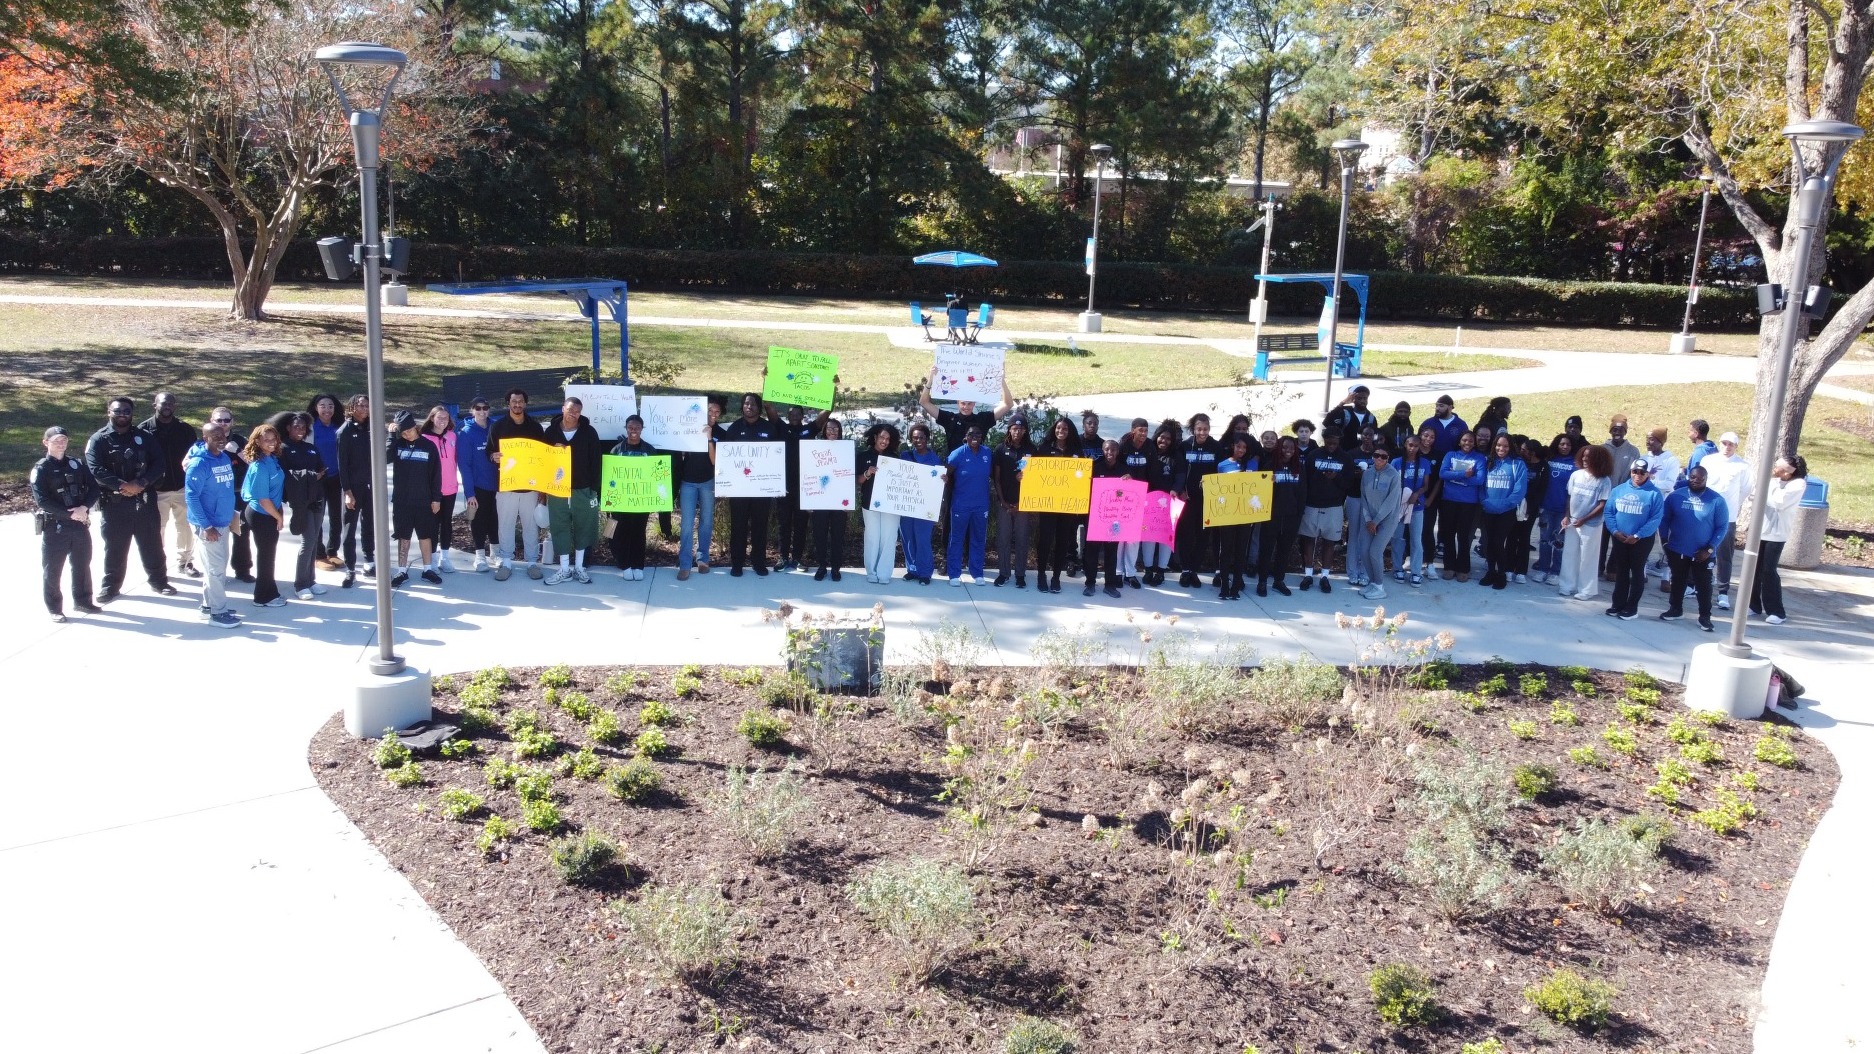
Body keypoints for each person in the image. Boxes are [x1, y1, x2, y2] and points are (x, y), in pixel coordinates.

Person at [85, 396, 175, 603]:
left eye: (126, 411)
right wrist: (122, 485)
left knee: (152, 544)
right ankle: (110, 587)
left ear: (132, 413)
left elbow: (159, 463)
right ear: (109, 412)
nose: (122, 415)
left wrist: (141, 483)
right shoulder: (98, 439)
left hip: (144, 499)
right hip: (114, 503)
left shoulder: (144, 436)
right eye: (117, 411)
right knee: (115, 547)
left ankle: (159, 582)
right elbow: (95, 469)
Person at [32, 426, 101, 622]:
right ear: (46, 443)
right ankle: (55, 608)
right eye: (56, 440)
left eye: (63, 439)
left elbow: (94, 489)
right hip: (56, 527)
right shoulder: (41, 469)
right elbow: (42, 501)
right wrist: (69, 514)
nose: (61, 443)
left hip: (79, 523)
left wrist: (84, 508)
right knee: (53, 569)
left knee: (82, 565)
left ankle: (83, 601)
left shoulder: (76, 464)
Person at [183, 420, 241, 628]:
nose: (221, 441)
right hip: (209, 526)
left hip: (223, 521)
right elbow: (191, 498)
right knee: (216, 570)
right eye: (215, 437)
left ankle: (209, 605)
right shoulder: (199, 464)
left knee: (215, 567)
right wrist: (206, 527)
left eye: (223, 437)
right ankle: (218, 613)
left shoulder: (224, 457)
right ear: (205, 438)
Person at [1658, 465, 1730, 631]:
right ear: (1688, 477)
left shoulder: (1717, 500)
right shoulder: (1676, 496)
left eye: (1700, 479)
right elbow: (1665, 519)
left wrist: (1710, 549)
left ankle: (1705, 616)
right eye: (1692, 477)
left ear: (1706, 479)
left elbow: (1722, 527)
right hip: (1677, 549)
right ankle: (1675, 609)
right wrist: (1664, 541)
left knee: (1704, 585)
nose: (1696, 481)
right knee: (1677, 580)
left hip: (1703, 553)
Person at [541, 397, 603, 585]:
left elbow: (596, 461)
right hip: (557, 488)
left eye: (577, 411)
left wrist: (594, 489)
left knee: (583, 526)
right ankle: (564, 568)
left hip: (582, 488)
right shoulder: (551, 432)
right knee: (559, 526)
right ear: (562, 409)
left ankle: (579, 567)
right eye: (570, 410)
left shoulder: (589, 432)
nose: (573, 414)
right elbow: (543, 460)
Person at [719, 393, 781, 576]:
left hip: (761, 489)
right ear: (742, 407)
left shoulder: (769, 429)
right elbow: (725, 458)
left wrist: (776, 483)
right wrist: (725, 483)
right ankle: (737, 563)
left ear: (759, 408)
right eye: (746, 404)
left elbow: (777, 457)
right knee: (738, 526)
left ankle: (758, 563)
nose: (749, 407)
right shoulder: (735, 429)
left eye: (753, 404)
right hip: (739, 489)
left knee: (760, 527)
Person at [487, 389, 545, 582]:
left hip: (529, 486)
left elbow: (543, 456)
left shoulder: (535, 428)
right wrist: (493, 456)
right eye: (514, 401)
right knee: (505, 524)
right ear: (508, 403)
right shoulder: (498, 427)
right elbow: (490, 451)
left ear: (525, 404)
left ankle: (531, 562)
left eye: (520, 402)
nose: (517, 405)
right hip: (507, 486)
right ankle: (506, 562)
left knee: (530, 525)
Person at [142, 392, 199, 579]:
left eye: (171, 404)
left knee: (186, 527)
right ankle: (158, 565)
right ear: (155, 405)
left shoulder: (185, 430)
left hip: (183, 487)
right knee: (158, 529)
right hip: (156, 490)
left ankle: (186, 562)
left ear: (175, 407)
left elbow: (195, 457)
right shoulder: (143, 431)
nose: (167, 406)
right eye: (163, 403)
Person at [386, 411, 444, 588]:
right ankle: (401, 571)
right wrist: (391, 436)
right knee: (403, 536)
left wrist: (436, 499)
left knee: (425, 535)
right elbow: (385, 458)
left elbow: (436, 475)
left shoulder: (428, 446)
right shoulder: (397, 444)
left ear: (415, 428)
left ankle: (427, 569)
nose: (406, 435)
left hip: (424, 500)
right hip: (402, 501)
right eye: (402, 432)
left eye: (409, 431)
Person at [276, 411, 329, 601]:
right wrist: (307, 475)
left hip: (317, 497)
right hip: (300, 500)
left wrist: (311, 475)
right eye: (296, 427)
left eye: (303, 427)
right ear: (288, 428)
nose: (300, 430)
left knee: (315, 540)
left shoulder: (311, 448)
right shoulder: (282, 448)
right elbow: (287, 475)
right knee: (307, 541)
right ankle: (300, 584)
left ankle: (311, 580)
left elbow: (321, 469)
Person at [1604, 457, 1665, 620]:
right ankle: (1617, 604)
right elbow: (1609, 512)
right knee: (1621, 570)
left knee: (1637, 572)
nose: (1638, 475)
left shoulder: (1654, 494)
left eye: (1642, 472)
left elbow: (1656, 518)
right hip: (1620, 538)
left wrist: (1638, 535)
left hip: (1641, 540)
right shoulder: (1619, 490)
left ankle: (1632, 608)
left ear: (1648, 474)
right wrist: (1615, 531)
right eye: (1635, 471)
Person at [1752, 456, 1807, 626]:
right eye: (1776, 467)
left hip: (1777, 534)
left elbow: (1780, 502)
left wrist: (1769, 487)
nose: (1775, 470)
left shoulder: (1798, 484)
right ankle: (1753, 605)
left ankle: (1777, 611)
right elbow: (1754, 496)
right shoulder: (1773, 482)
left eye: (1780, 469)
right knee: (1753, 570)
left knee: (1769, 571)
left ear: (1790, 472)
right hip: (1760, 530)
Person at [1700, 432, 1753, 610]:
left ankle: (1723, 592)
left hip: (1728, 516)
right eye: (1724, 443)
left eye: (1731, 444)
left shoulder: (1743, 466)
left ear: (1736, 446)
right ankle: (1693, 584)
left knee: (1725, 554)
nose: (1727, 447)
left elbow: (1745, 489)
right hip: (1706, 513)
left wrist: (1733, 507)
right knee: (1699, 548)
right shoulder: (1708, 461)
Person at [674, 396, 723, 580]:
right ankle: (685, 563)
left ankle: (703, 559)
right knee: (686, 523)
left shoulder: (719, 432)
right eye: (710, 411)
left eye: (717, 412)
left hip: (707, 481)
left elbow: (715, 461)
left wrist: (709, 438)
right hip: (688, 481)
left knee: (706, 521)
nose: (713, 415)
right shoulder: (691, 426)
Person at [1556, 444, 1613, 602]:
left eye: (1589, 457)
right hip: (1573, 521)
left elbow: (1602, 504)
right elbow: (1569, 496)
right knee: (1569, 554)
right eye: (1583, 456)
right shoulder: (1576, 475)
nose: (1585, 459)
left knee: (1588, 557)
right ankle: (1567, 585)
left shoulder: (1604, 480)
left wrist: (1584, 519)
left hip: (1591, 524)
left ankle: (1586, 590)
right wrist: (1567, 516)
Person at [240, 424, 287, 608]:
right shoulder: (259, 465)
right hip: (262, 514)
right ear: (257, 442)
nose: (271, 443)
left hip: (271, 512)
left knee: (269, 555)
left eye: (273, 439)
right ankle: (262, 597)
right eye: (266, 440)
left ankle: (271, 591)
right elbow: (262, 500)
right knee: (266, 556)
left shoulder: (271, 459)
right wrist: (279, 517)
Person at [1033, 418, 1082, 594]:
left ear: (1070, 431)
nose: (1061, 431)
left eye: (1065, 428)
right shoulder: (1044, 449)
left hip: (1067, 506)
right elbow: (1035, 474)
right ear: (1054, 429)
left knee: (1063, 542)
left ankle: (1055, 578)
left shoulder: (1076, 451)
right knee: (1045, 541)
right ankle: (1041, 576)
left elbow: (1081, 476)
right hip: (1048, 504)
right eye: (1059, 427)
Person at [335, 394, 378, 588]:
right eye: (360, 405)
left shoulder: (373, 427)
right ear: (352, 407)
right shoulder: (344, 431)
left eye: (367, 405)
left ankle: (369, 562)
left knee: (369, 525)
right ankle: (350, 568)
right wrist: (347, 492)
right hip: (353, 488)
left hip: (371, 486)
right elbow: (341, 465)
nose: (364, 409)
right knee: (349, 528)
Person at [1176, 413, 1224, 587]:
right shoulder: (1185, 446)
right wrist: (1181, 490)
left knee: (1203, 536)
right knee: (1186, 535)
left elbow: (1221, 473)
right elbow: (1179, 471)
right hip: (1188, 499)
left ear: (1209, 429)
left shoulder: (1216, 447)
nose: (1202, 432)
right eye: (1199, 429)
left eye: (1205, 429)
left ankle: (1194, 570)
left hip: (1208, 501)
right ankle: (1185, 570)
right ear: (1193, 429)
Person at [609, 415, 660, 580]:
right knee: (622, 532)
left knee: (639, 532)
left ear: (641, 429)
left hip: (641, 500)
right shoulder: (617, 450)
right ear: (626, 428)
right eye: (630, 428)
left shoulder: (649, 450)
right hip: (621, 501)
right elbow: (610, 477)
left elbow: (656, 474)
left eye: (637, 428)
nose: (633, 431)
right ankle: (625, 565)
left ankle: (638, 565)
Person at [1297, 427, 1345, 592]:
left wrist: (1336, 477)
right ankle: (1308, 574)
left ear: (1339, 441)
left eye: (1335, 442)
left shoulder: (1345, 457)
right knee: (1309, 540)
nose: (1332, 445)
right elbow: (1306, 479)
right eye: (1329, 442)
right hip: (1312, 504)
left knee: (1329, 542)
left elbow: (1348, 481)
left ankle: (1325, 576)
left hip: (1333, 506)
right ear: (1324, 440)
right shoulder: (1314, 455)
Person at [1477, 434, 1528, 590]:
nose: (1501, 449)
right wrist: (1484, 501)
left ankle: (1501, 574)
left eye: (1505, 446)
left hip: (1506, 511)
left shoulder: (1517, 464)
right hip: (1488, 508)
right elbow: (1481, 485)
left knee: (1498, 542)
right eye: (1499, 445)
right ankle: (1491, 571)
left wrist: (1505, 504)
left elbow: (1519, 490)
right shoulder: (1488, 461)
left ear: (1511, 447)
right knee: (1488, 542)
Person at [992, 416, 1038, 587]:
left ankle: (1020, 575)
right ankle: (1004, 573)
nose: (1017, 432)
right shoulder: (1000, 449)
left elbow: (1036, 479)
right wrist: (1003, 501)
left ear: (1025, 431)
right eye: (1014, 428)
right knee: (1003, 539)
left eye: (1021, 429)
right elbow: (996, 479)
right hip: (1004, 502)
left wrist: (1022, 503)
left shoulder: (1031, 450)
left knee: (1022, 539)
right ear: (1009, 429)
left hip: (1023, 504)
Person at [209, 408, 254, 584]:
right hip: (215, 496)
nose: (222, 424)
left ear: (232, 422)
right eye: (218, 420)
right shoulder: (205, 441)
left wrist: (237, 451)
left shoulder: (241, 441)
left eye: (226, 420)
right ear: (211, 421)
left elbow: (255, 464)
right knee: (216, 536)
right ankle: (217, 572)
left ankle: (242, 569)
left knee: (242, 534)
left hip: (238, 495)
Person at [945, 425, 994, 586]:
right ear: (966, 437)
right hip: (961, 504)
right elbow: (946, 473)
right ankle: (953, 573)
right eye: (971, 435)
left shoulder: (987, 453)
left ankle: (977, 572)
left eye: (978, 435)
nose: (975, 437)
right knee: (957, 539)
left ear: (982, 437)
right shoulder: (958, 454)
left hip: (981, 505)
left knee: (979, 539)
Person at [1137, 422, 1184, 586]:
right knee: (1148, 535)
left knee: (1165, 537)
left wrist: (1176, 489)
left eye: (1168, 438)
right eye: (1161, 437)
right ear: (1156, 436)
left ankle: (1161, 570)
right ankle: (1148, 569)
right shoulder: (1149, 452)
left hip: (1169, 501)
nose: (1164, 440)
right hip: (1149, 501)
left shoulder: (1176, 456)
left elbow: (1180, 475)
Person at [1258, 436, 1305, 597]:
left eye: (1291, 448)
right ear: (1279, 448)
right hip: (1272, 516)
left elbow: (1302, 493)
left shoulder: (1299, 468)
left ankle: (1279, 581)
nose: (1288, 451)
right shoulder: (1270, 465)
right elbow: (1261, 490)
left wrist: (1299, 514)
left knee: (1284, 551)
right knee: (1266, 550)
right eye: (1285, 448)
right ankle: (1262, 581)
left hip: (1291, 517)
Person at [774, 404, 818, 572]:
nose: (794, 416)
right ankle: (783, 557)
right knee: (783, 523)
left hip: (804, 486)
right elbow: (770, 410)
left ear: (802, 416)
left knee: (801, 524)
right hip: (783, 486)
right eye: (791, 413)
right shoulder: (781, 428)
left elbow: (825, 415)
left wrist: (833, 390)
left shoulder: (808, 431)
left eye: (798, 413)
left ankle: (797, 558)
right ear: (787, 415)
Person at [457, 398, 499, 572]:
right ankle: (480, 556)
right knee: (479, 520)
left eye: (485, 408)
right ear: (472, 410)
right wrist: (470, 493)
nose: (482, 412)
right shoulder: (466, 433)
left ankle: (495, 554)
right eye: (478, 408)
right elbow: (464, 465)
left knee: (496, 519)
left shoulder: (496, 427)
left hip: (498, 485)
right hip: (478, 485)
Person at [859, 422, 904, 583]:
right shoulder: (863, 456)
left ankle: (884, 573)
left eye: (888, 438)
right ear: (875, 437)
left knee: (889, 537)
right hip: (869, 502)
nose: (884, 441)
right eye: (882, 437)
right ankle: (871, 571)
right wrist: (868, 472)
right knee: (872, 537)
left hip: (891, 505)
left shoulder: (894, 458)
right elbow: (858, 481)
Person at [1437, 430, 1485, 581]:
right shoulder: (1450, 455)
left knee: (1464, 536)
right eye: (1464, 440)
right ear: (1459, 441)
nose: (1467, 443)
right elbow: (1443, 474)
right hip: (1449, 500)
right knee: (1448, 535)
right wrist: (1464, 474)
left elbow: (1479, 480)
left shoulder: (1479, 458)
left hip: (1469, 503)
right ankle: (1449, 566)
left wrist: (1455, 476)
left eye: (1471, 441)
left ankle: (1463, 568)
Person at [1084, 439, 1129, 598]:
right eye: (1107, 450)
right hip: (1096, 517)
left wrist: (1128, 483)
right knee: (1092, 552)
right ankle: (1090, 583)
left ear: (1118, 452)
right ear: (1103, 451)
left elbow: (1126, 493)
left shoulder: (1124, 471)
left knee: (1111, 552)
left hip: (1114, 519)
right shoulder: (1095, 468)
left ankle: (1109, 585)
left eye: (1114, 450)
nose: (1110, 453)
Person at [421, 406, 463, 575]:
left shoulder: (452, 436)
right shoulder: (424, 438)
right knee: (432, 523)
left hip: (450, 487)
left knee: (446, 523)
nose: (442, 421)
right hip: (432, 490)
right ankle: (430, 557)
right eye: (439, 418)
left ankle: (444, 557)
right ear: (432, 418)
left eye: (446, 418)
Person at [1358, 445, 1402, 601]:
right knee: (1364, 551)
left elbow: (1391, 502)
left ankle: (1379, 586)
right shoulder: (1367, 474)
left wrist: (1376, 521)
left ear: (1388, 459)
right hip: (1369, 520)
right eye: (1377, 455)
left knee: (1375, 552)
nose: (1379, 459)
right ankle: (1373, 582)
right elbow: (1364, 498)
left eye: (1384, 457)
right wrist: (1369, 519)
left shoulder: (1394, 475)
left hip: (1387, 520)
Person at [1598, 415, 1639, 579]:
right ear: (1610, 430)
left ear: (1625, 432)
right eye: (1615, 429)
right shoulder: (1602, 449)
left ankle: (1613, 568)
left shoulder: (1633, 451)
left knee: (1618, 535)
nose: (1617, 432)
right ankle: (1598, 566)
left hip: (1622, 499)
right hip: (1603, 498)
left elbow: (1633, 476)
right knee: (1601, 536)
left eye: (1621, 430)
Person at [1531, 435, 1576, 585]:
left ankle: (1555, 571)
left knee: (1559, 541)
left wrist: (1568, 513)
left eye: (1568, 444)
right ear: (1557, 445)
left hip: (1563, 509)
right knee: (1544, 539)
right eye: (1562, 444)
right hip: (1546, 507)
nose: (1565, 447)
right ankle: (1543, 568)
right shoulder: (1549, 460)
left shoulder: (1575, 464)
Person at [809, 417, 850, 581]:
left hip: (839, 500)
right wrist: (809, 500)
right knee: (819, 534)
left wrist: (848, 500)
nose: (832, 432)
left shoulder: (845, 449)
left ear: (840, 432)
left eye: (836, 429)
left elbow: (848, 475)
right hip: (820, 499)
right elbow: (808, 473)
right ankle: (821, 566)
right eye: (829, 428)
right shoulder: (814, 449)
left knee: (837, 536)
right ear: (824, 431)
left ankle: (835, 568)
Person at [308, 394, 346, 569]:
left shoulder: (339, 426)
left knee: (337, 516)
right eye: (322, 405)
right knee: (318, 516)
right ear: (316, 408)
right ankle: (319, 555)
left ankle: (333, 552)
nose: (327, 409)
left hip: (336, 477)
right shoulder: (310, 428)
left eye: (330, 405)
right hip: (318, 478)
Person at [1393, 434, 1431, 585]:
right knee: (1397, 538)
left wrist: (1417, 494)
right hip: (1400, 506)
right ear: (1405, 445)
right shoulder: (1396, 462)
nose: (1412, 448)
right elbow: (1393, 484)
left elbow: (1426, 485)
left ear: (1419, 446)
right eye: (1410, 445)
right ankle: (1397, 568)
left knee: (1416, 539)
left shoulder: (1424, 463)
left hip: (1417, 507)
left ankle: (1416, 571)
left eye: (1415, 446)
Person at [1342, 428, 1377, 589]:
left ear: (1374, 436)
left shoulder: (1379, 453)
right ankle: (1352, 572)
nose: (1367, 437)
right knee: (1353, 534)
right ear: (1360, 436)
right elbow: (1346, 476)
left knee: (1367, 536)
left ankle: (1365, 572)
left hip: (1371, 500)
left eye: (1370, 434)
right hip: (1354, 497)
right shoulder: (1351, 453)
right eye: (1365, 434)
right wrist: (1356, 475)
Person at [1511, 438, 1546, 583]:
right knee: (1512, 536)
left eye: (1525, 450)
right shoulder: (1519, 462)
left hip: (1530, 508)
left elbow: (1541, 490)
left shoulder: (1543, 467)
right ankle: (1508, 567)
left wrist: (1531, 509)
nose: (1521, 452)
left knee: (1524, 538)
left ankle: (1520, 571)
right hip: (1515, 505)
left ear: (1533, 452)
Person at [1325, 385, 1377, 449]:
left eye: (1365, 398)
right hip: (1344, 452)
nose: (1362, 401)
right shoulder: (1344, 413)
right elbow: (1327, 422)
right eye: (1359, 398)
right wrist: (1342, 403)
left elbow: (1375, 437)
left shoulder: (1371, 418)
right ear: (1353, 399)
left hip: (1361, 454)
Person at [1418, 395, 1469, 460]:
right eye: (1436, 406)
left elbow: (1465, 445)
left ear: (1450, 407)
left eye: (1441, 406)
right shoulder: (1428, 423)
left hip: (1452, 462)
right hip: (1430, 462)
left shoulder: (1461, 425)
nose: (1437, 408)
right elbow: (1419, 442)